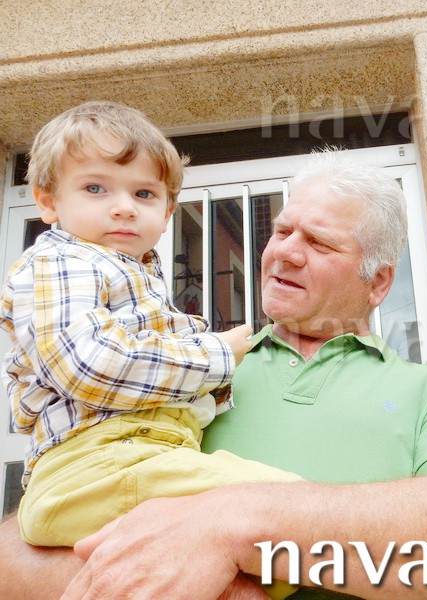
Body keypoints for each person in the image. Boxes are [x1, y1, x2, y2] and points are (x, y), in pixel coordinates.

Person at [0, 150, 427, 599]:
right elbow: (32, 534)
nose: (284, 251)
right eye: (282, 231)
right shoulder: (183, 365)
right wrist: (217, 586)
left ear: (378, 282)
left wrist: (233, 524)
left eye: (319, 243)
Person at [0, 101, 301, 596]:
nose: (123, 206)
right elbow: (88, 363)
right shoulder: (64, 262)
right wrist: (217, 355)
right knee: (293, 509)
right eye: (95, 188)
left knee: (255, 565)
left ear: (166, 214)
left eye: (144, 193)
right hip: (97, 465)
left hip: (133, 460)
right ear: (48, 202)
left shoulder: (133, 275)